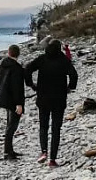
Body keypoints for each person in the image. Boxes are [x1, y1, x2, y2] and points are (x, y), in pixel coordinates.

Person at [24, 39, 78, 167]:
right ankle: (52, 159)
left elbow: (27, 69)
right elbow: (74, 75)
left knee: (43, 126)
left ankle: (43, 152)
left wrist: (31, 84)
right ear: (59, 48)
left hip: (43, 98)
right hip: (59, 99)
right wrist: (70, 87)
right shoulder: (64, 60)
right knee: (56, 129)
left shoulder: (42, 58)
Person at [0, 44, 26, 160]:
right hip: (14, 100)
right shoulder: (17, 68)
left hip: (5, 97)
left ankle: (9, 150)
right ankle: (8, 152)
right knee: (12, 126)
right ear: (18, 54)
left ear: (9, 53)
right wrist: (19, 104)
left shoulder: (3, 65)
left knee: (9, 125)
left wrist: (1, 94)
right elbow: (17, 88)